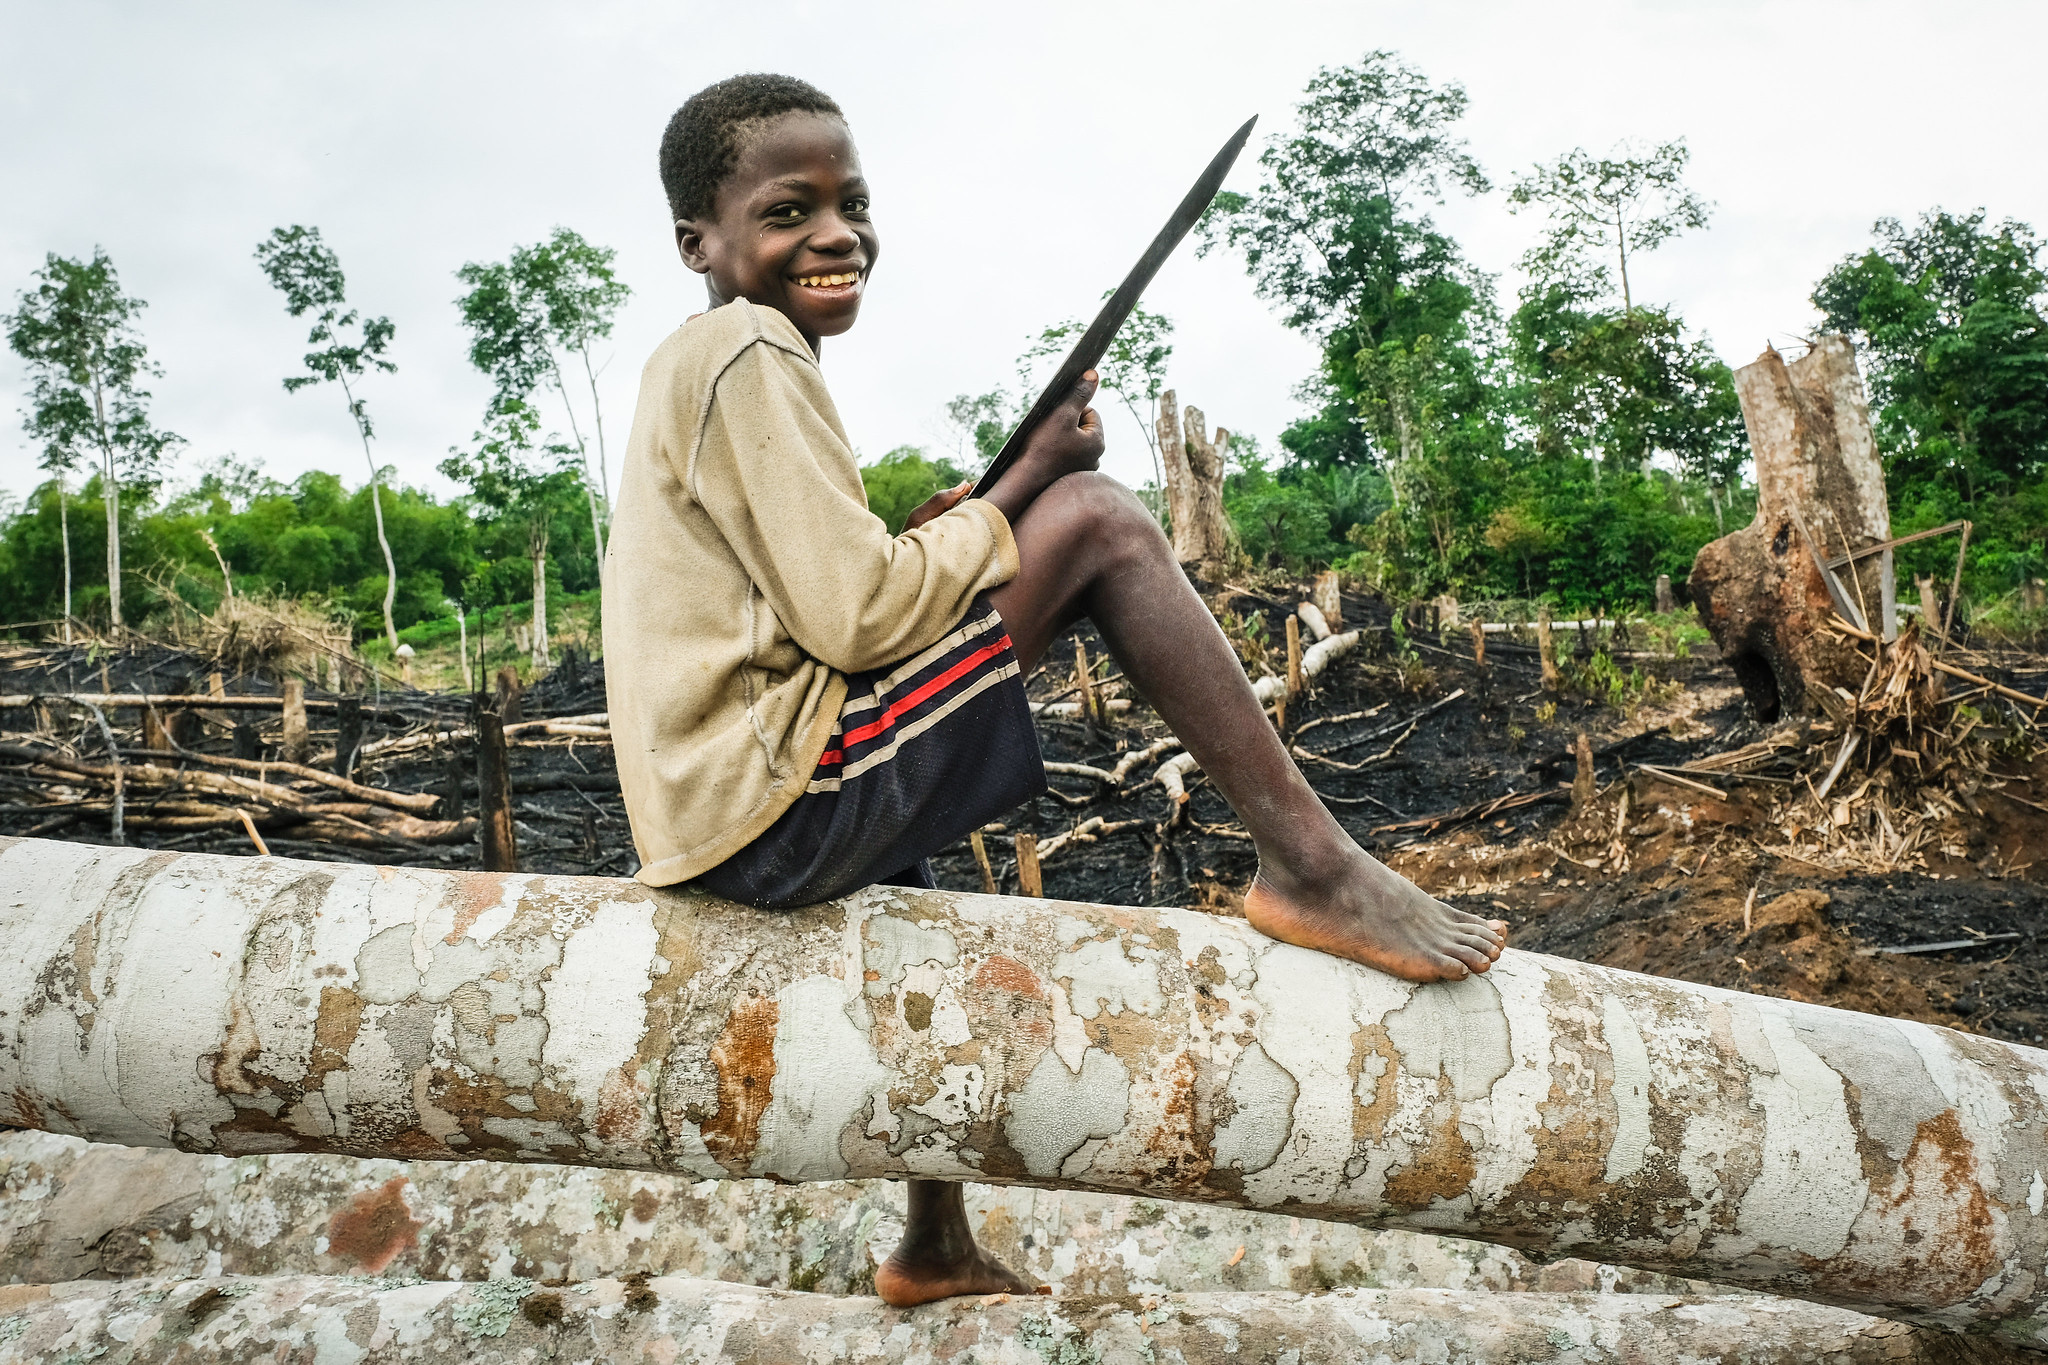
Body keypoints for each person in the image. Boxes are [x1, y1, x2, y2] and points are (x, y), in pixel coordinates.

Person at [603, 73, 1507, 1308]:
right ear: (697, 243)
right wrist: (1026, 475)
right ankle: (1313, 868)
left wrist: (967, 519)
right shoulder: (747, 347)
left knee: (911, 893)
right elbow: (857, 616)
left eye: (852, 203)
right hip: (776, 799)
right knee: (1098, 521)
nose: (834, 234)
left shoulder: (705, 362)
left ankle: (931, 1243)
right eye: (786, 211)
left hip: (727, 811)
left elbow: (822, 600)